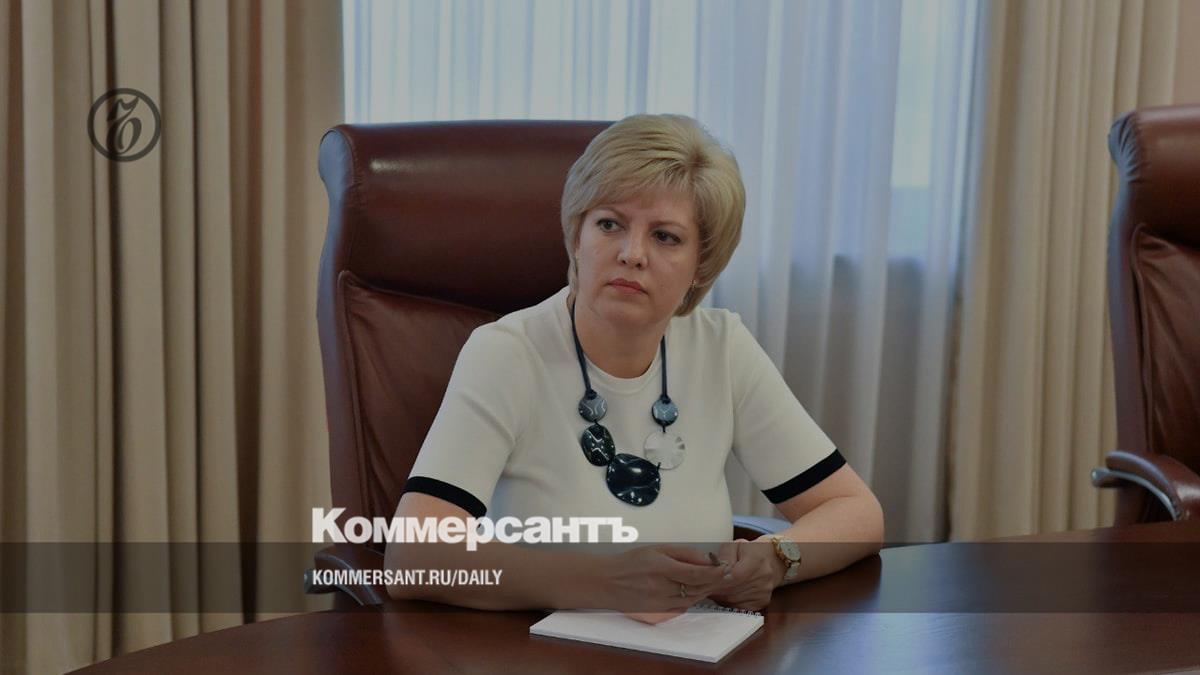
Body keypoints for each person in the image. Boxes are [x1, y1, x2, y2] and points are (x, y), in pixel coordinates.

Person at [384, 113, 883, 621]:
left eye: (665, 237)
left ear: (701, 266)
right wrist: (609, 583)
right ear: (576, 236)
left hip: (693, 645)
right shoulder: (507, 353)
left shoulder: (721, 348)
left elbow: (856, 511)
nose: (632, 254)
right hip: (539, 647)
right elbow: (414, 557)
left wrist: (777, 559)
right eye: (609, 224)